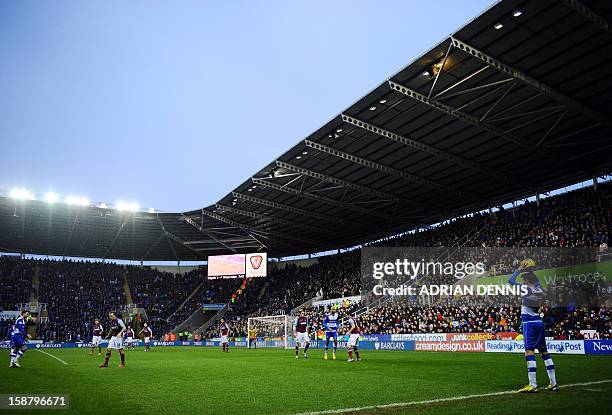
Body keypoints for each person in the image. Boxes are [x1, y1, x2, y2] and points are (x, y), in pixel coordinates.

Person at [509, 259, 557, 393]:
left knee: (529, 351)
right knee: (544, 352)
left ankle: (533, 384)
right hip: (539, 323)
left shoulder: (526, 289)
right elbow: (535, 280)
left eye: (524, 280)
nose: (522, 282)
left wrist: (519, 270)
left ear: (526, 281)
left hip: (529, 324)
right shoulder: (539, 288)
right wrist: (529, 271)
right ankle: (553, 383)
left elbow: (511, 281)